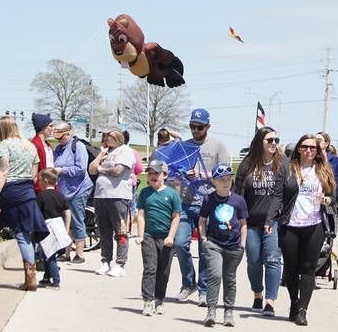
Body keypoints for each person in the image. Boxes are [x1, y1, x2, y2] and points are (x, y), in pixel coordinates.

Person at [276, 133, 336, 326]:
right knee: (291, 269)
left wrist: (328, 200)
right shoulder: (288, 168)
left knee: (308, 269)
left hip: (314, 225)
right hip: (290, 225)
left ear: (318, 151)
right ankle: (294, 301)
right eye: (305, 147)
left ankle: (303, 310)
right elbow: (278, 194)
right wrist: (272, 218)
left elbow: (332, 196)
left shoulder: (323, 170)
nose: (309, 150)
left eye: (313, 147)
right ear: (299, 149)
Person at [174, 108, 231, 306]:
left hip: (208, 203)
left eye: (199, 127)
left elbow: (225, 176)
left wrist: (202, 176)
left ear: (208, 126)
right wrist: (183, 175)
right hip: (185, 202)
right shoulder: (184, 146)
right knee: (180, 244)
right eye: (192, 126)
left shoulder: (218, 146)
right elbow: (174, 172)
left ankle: (204, 289)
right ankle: (187, 283)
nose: (195, 130)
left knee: (206, 248)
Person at [0, 115, 49, 290]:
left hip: (11, 191)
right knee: (28, 233)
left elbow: (3, 172)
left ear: (2, 130)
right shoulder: (29, 145)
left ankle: (30, 278)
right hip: (28, 191)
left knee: (19, 233)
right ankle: (31, 273)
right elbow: (34, 174)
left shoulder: (6, 145)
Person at [236, 126, 285, 317]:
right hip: (250, 222)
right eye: (270, 140)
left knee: (273, 259)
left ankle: (270, 301)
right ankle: (257, 294)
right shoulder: (247, 165)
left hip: (273, 222)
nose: (274, 144)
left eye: (276, 140)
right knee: (254, 261)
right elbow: (238, 194)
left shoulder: (282, 164)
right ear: (260, 142)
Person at [200, 164, 249, 327]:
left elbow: (243, 224)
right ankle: (211, 310)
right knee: (215, 275)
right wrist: (203, 239)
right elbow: (202, 220)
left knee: (230, 278)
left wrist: (242, 245)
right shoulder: (209, 199)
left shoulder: (238, 200)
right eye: (221, 179)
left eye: (228, 178)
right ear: (214, 181)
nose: (226, 182)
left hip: (234, 246)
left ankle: (228, 311)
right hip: (214, 244)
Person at [135, 158, 181, 317]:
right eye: (150, 173)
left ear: (165, 175)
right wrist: (140, 235)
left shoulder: (172, 194)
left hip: (166, 239)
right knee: (150, 268)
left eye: (157, 173)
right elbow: (141, 215)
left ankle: (159, 300)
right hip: (148, 236)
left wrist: (171, 236)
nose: (154, 176)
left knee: (164, 271)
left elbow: (176, 217)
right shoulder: (145, 193)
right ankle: (147, 301)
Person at [89, 129, 136, 278]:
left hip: (118, 196)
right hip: (101, 196)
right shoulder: (105, 152)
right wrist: (100, 156)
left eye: (108, 136)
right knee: (104, 231)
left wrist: (101, 168)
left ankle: (120, 263)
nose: (105, 138)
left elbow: (118, 171)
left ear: (117, 137)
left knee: (120, 231)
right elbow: (91, 170)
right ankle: (105, 261)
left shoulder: (125, 151)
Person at [51, 120, 94, 264]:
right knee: (66, 221)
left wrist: (62, 170)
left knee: (76, 219)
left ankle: (80, 254)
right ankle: (66, 252)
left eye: (61, 137)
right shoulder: (58, 149)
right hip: (65, 190)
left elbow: (81, 169)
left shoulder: (78, 146)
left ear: (68, 133)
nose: (59, 140)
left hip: (79, 189)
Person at [35, 169, 70, 288]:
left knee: (50, 256)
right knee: (48, 253)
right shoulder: (60, 195)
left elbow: (37, 214)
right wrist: (67, 227)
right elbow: (67, 212)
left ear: (45, 181)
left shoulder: (41, 196)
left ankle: (56, 281)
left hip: (47, 227)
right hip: (59, 225)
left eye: (40, 180)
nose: (39, 183)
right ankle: (46, 277)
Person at [30, 113, 55, 191]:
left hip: (50, 183)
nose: (52, 128)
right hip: (41, 186)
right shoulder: (35, 144)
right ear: (43, 127)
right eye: (50, 126)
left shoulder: (47, 144)